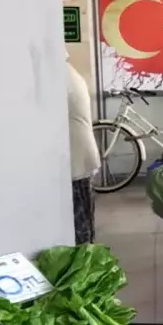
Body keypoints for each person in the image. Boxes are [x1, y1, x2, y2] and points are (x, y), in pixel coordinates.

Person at [67, 56, 100, 245]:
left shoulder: (57, 77)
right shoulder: (71, 73)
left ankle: (84, 262)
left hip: (75, 156)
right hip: (80, 154)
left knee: (78, 221)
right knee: (84, 216)